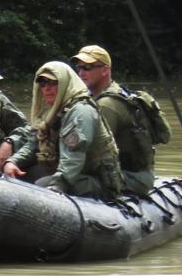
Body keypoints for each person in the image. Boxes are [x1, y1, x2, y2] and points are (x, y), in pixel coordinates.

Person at [2, 61, 123, 199]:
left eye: (52, 83)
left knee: (41, 185)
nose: (46, 88)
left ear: (65, 83)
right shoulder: (54, 112)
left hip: (96, 181)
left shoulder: (81, 112)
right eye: (43, 84)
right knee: (20, 174)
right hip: (75, 175)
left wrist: (57, 185)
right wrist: (13, 162)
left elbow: (74, 157)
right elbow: (33, 144)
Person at [71, 44, 170, 195]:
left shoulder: (107, 105)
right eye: (79, 68)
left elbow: (93, 154)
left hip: (131, 177)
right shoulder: (113, 93)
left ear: (105, 70)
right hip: (134, 173)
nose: (81, 72)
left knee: (70, 182)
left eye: (88, 67)